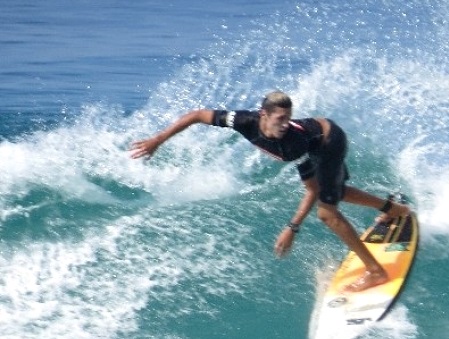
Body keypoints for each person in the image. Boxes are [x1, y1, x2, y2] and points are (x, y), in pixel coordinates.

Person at [130, 91, 410, 292]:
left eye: (288, 118)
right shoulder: (242, 121)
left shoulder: (293, 141)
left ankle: (375, 272)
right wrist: (158, 140)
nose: (285, 124)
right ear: (263, 115)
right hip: (319, 140)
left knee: (327, 212)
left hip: (329, 143)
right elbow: (198, 115)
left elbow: (310, 189)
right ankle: (394, 210)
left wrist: (293, 228)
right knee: (336, 191)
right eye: (280, 119)